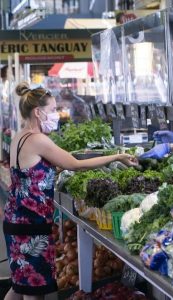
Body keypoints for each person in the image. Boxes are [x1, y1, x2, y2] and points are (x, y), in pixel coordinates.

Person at [3, 82, 137, 300]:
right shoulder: (38, 140)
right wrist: (117, 156)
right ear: (38, 112)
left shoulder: (21, 136)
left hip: (17, 219)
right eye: (53, 110)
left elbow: (33, 172)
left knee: (20, 286)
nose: (57, 114)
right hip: (30, 226)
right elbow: (75, 164)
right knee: (34, 292)